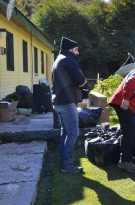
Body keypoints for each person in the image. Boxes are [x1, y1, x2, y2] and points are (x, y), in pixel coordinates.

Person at [52, 37, 90, 174]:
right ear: (70, 49)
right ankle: (67, 164)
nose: (78, 52)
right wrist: (87, 87)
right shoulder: (68, 60)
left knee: (65, 132)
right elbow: (80, 80)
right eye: (76, 49)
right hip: (67, 103)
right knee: (73, 133)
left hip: (59, 102)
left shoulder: (59, 59)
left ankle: (63, 161)